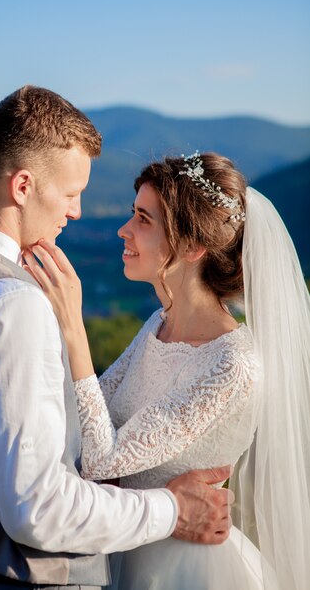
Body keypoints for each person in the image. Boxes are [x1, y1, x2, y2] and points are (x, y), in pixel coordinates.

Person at [0, 87, 233, 590]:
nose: (76, 211)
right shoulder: (14, 303)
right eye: (71, 193)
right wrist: (173, 509)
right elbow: (38, 505)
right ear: (23, 186)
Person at [26, 151, 310, 589]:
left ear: (193, 246)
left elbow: (103, 458)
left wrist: (73, 329)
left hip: (184, 570)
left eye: (143, 218)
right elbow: (87, 420)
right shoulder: (158, 325)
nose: (124, 229)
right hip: (126, 546)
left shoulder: (233, 363)